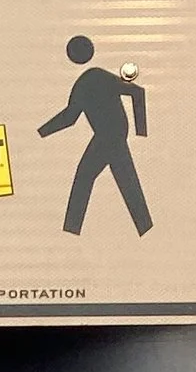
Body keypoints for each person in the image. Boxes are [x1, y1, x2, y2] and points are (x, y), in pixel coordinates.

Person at [39, 35, 150, 237]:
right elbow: (70, 117)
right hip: (111, 135)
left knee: (85, 176)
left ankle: (71, 230)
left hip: (110, 135)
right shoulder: (87, 82)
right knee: (126, 180)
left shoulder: (93, 78)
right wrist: (42, 132)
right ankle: (145, 228)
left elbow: (137, 92)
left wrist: (141, 131)